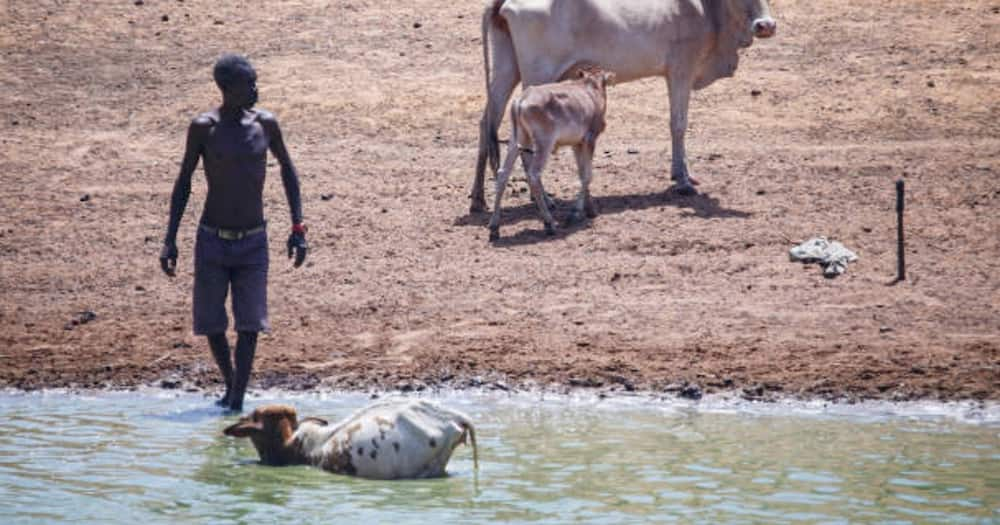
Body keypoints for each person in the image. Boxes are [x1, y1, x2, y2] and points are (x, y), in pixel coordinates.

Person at [159, 53, 307, 412]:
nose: (256, 89)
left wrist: (297, 226)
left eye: (256, 82)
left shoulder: (265, 125)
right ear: (227, 89)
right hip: (211, 238)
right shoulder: (204, 128)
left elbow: (288, 171)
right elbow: (184, 183)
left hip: (254, 240)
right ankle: (231, 383)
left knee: (250, 323)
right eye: (249, 84)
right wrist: (170, 239)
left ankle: (237, 398)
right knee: (211, 323)